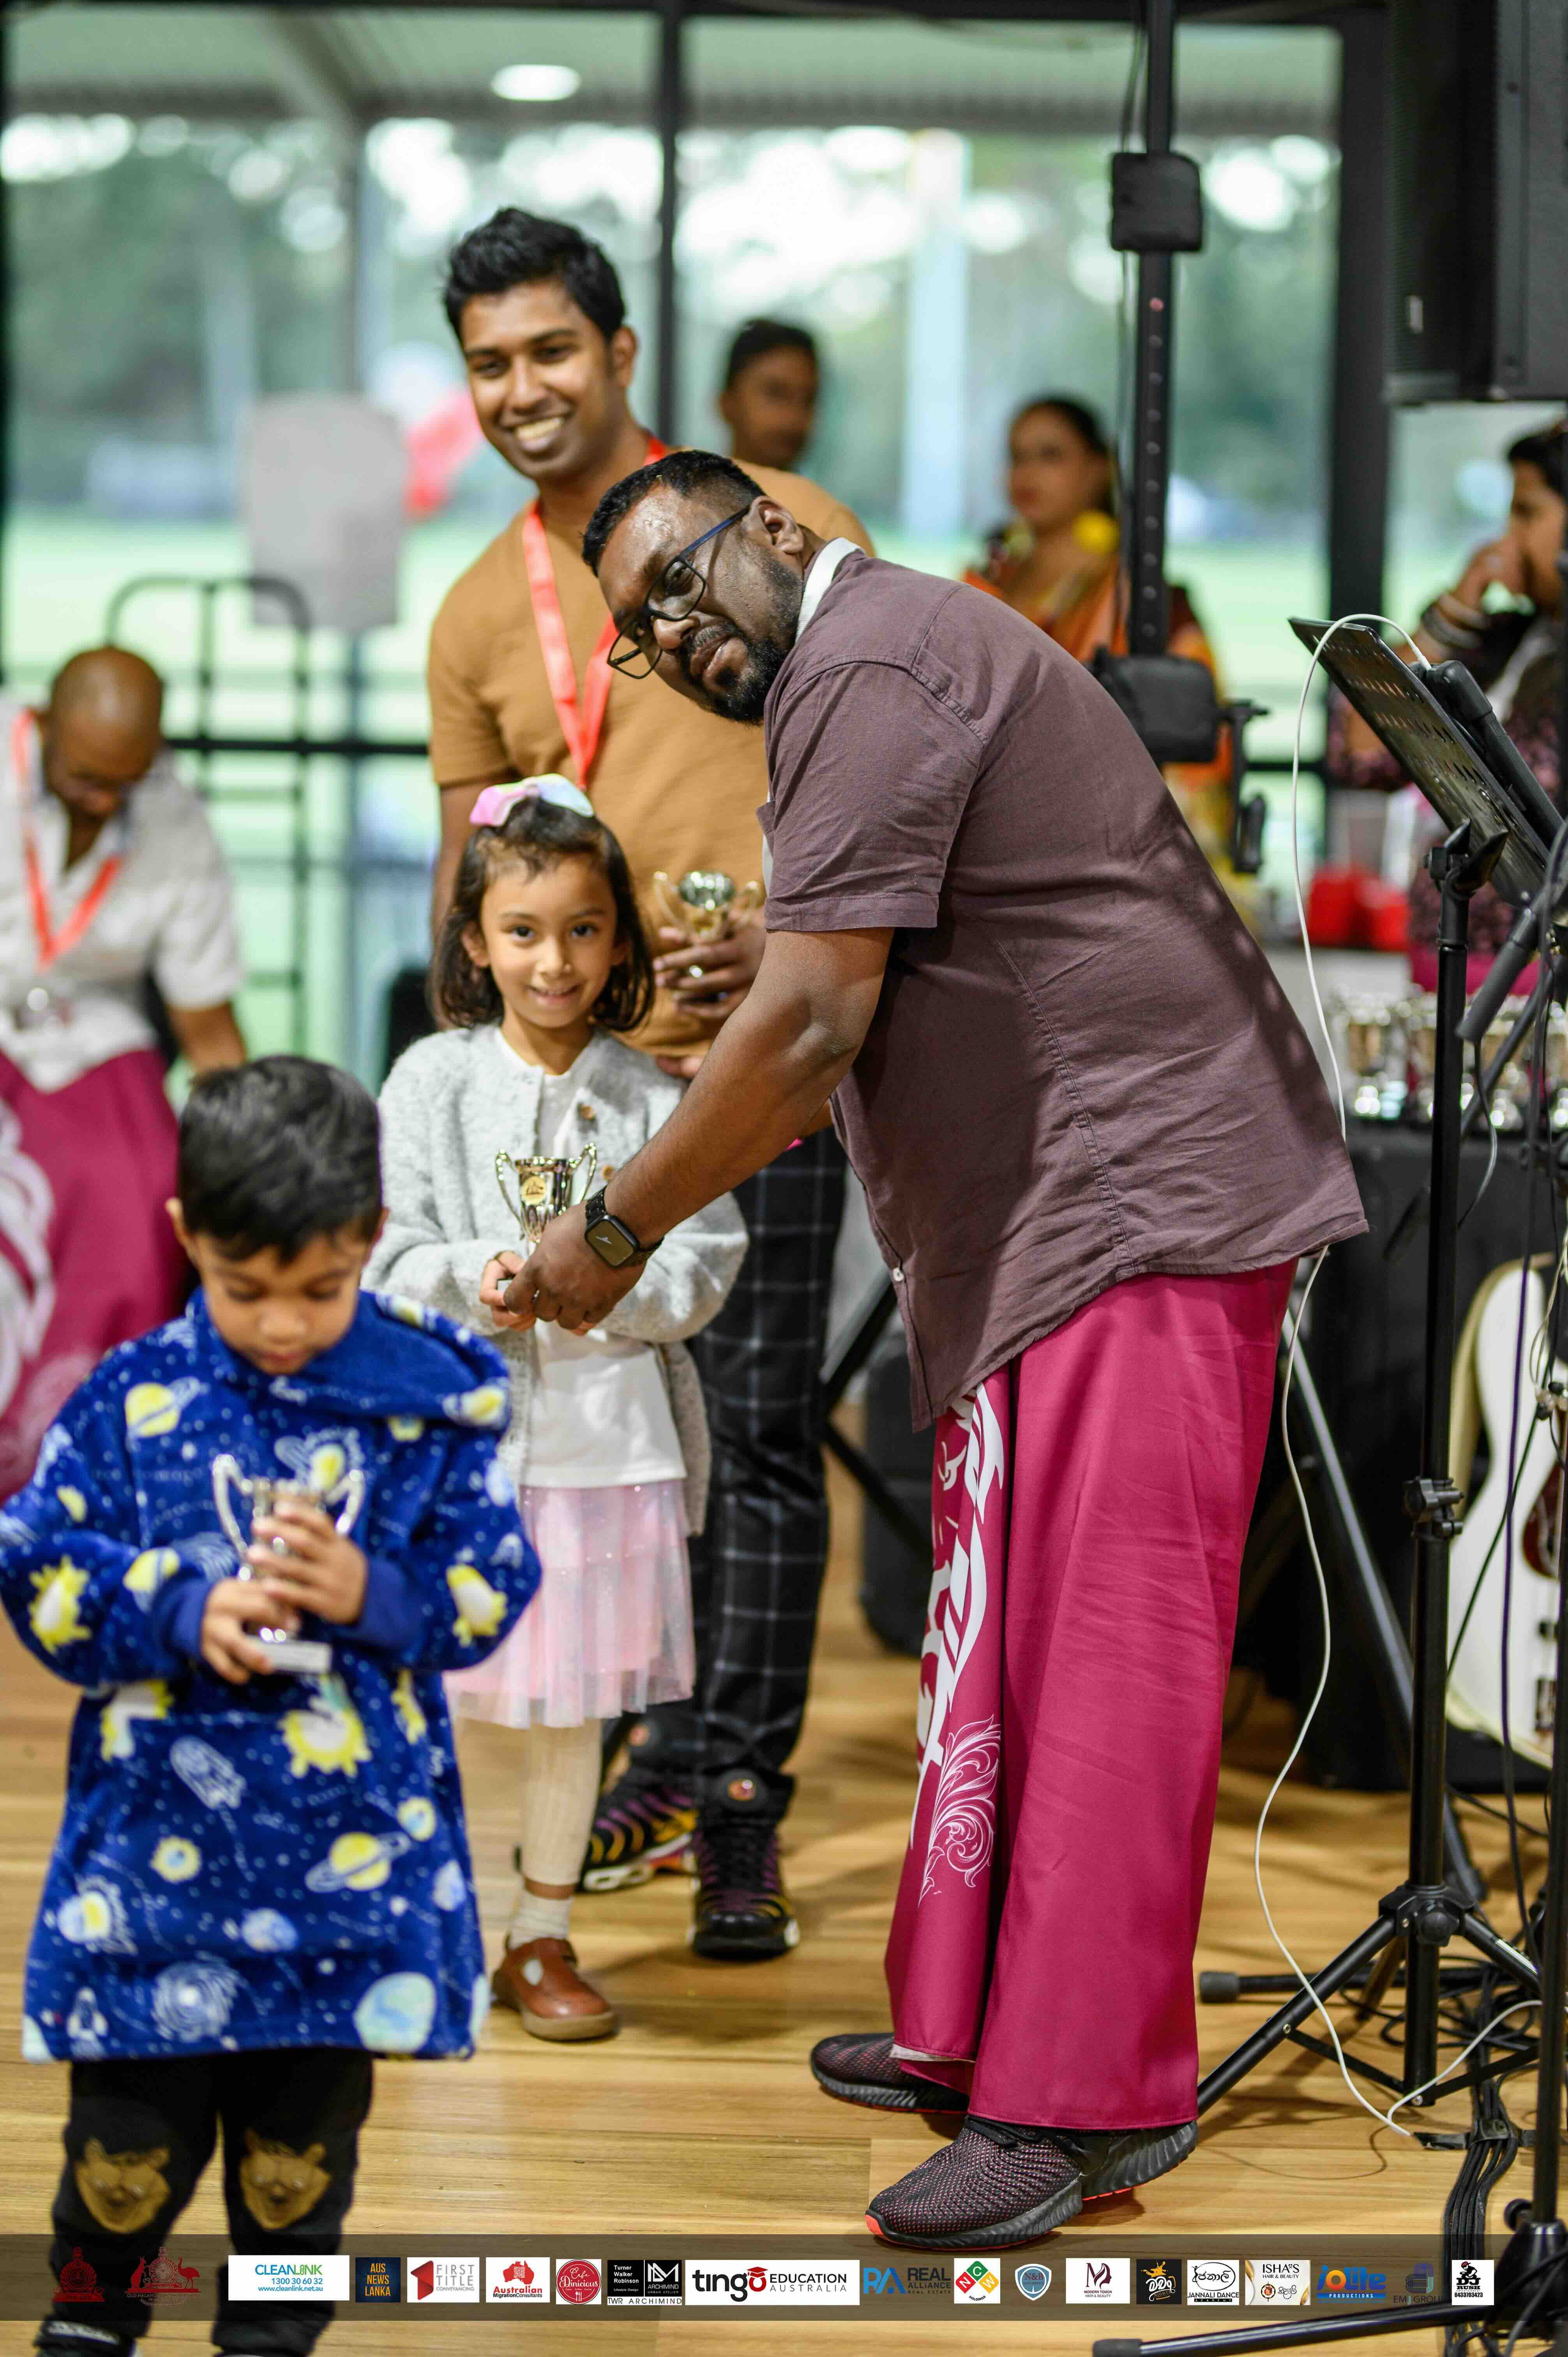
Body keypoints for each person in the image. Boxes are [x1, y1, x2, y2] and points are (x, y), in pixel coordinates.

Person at [509, 447, 1366, 2247]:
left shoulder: (868, 658)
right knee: (1006, 1650)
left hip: (1145, 1206)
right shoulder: (858, 668)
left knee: (1110, 1670)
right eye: (639, 642)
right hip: (1057, 1223)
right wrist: (745, 1003)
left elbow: (821, 1024)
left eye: (678, 588)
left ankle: (1080, 2109)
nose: (672, 642)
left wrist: (610, 1229)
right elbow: (859, 973)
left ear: (774, 527)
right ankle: (976, 2033)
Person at [426, 208, 871, 1959]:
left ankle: (732, 1795)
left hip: (771, 1055)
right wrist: (479, 1071)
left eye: (548, 349)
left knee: (756, 1433)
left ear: (617, 352)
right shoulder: (475, 614)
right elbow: (467, 878)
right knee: (603, 1448)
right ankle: (629, 1758)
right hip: (577, 1092)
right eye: (487, 364)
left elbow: (892, 759)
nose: (520, 388)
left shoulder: (778, 529)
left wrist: (784, 927)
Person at [1, 1056, 538, 2357]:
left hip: (343, 1896)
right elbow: (38, 1564)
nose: (284, 1323)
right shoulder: (130, 1397)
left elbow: (492, 1583)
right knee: (118, 2170)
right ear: (187, 1234)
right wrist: (178, 1610)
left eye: (320, 1285)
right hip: (150, 1884)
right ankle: (90, 2324)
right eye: (245, 1289)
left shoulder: (437, 1393)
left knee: (296, 2182)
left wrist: (376, 1591)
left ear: (368, 1237)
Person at [369, 779, 745, 2037]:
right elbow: (384, 1249)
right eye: (522, 930)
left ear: (620, 940)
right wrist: (476, 1279)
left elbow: (708, 1252)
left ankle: (538, 1933)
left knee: (571, 1703)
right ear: (474, 939)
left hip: (604, 1457)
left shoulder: (650, 1091)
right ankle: (426, 1917)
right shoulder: (430, 1079)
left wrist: (609, 1294)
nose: (553, 959)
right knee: (438, 1687)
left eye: (583, 929)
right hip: (456, 1451)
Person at [0, 645, 246, 1499]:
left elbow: (209, 1031)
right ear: (39, 725)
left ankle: (92, 1453)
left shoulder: (175, 819)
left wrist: (251, 1166)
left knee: (146, 1188)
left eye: (124, 784)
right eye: (83, 779)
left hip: (92, 1027)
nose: (104, 802)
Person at [964, 394, 1241, 896]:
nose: (1027, 473)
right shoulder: (985, 580)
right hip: (985, 837)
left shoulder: (1139, 595)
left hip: (1105, 850)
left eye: (1050, 456)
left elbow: (1194, 736)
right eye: (1017, 456)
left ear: (1097, 470)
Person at [1330, 417, 1565, 987]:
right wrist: (1458, 608)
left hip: (1539, 990)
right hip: (1448, 964)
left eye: (1528, 513)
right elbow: (1359, 752)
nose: (1505, 539)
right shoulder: (1502, 640)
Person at [717, 318, 821, 473]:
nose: (794, 417)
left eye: (808, 400)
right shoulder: (681, 495)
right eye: (776, 393)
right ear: (727, 403)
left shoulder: (822, 497)